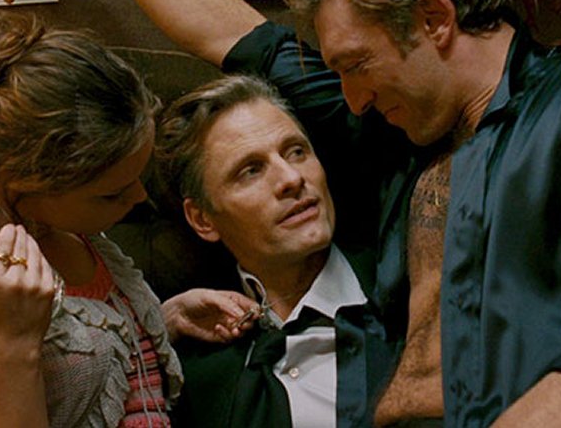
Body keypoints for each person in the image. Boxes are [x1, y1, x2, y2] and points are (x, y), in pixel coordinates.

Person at [0, 0, 561, 426]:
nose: (349, 98)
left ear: (434, 19)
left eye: (353, 64)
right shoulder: (396, 138)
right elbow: (237, 39)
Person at [0, 9, 257, 427]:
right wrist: (15, 345)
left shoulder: (69, 232)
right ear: (26, 182)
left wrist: (161, 321)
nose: (139, 197)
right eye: (111, 193)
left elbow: (78, 371)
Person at [153, 74, 394, 427]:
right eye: (250, 171)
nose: (292, 178)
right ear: (203, 219)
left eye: (296, 151)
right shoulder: (188, 370)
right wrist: (157, 328)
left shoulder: (410, 292)